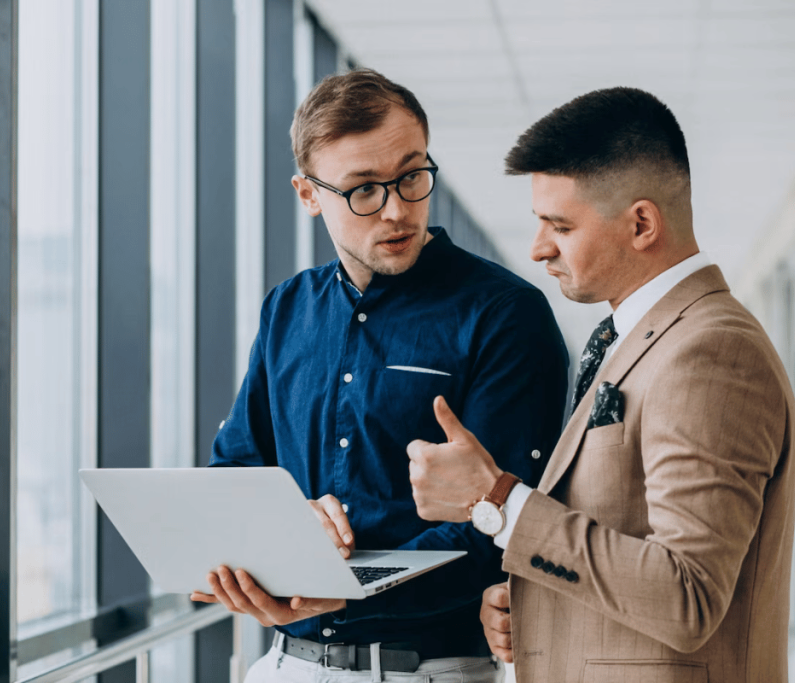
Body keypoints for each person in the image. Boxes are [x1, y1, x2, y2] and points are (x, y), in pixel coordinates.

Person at [407, 86, 795, 682]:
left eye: (558, 225)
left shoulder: (711, 352)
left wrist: (498, 501)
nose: (538, 248)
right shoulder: (644, 336)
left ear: (642, 223)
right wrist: (538, 607)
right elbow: (625, 549)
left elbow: (686, 595)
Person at [190, 68, 568, 682]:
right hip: (283, 666)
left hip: (427, 670)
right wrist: (288, 523)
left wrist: (348, 586)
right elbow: (235, 469)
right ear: (309, 195)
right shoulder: (286, 309)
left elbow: (509, 526)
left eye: (413, 176)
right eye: (363, 190)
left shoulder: (505, 315)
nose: (397, 210)